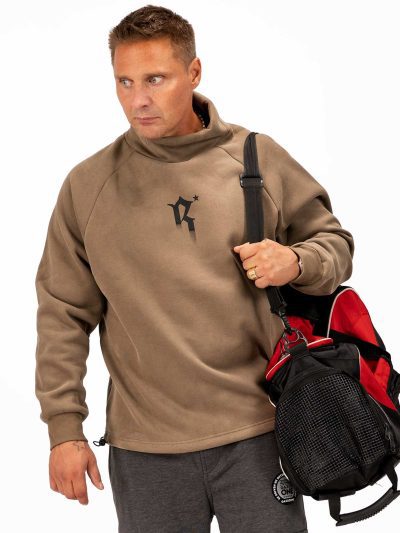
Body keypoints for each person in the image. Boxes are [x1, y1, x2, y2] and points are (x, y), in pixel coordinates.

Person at [34, 5, 354, 532]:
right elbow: (62, 313)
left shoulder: (255, 158)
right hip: (146, 449)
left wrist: (296, 260)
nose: (138, 99)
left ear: (194, 72)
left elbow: (336, 246)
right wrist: (64, 429)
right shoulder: (88, 186)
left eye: (155, 79)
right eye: (124, 82)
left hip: (257, 433)